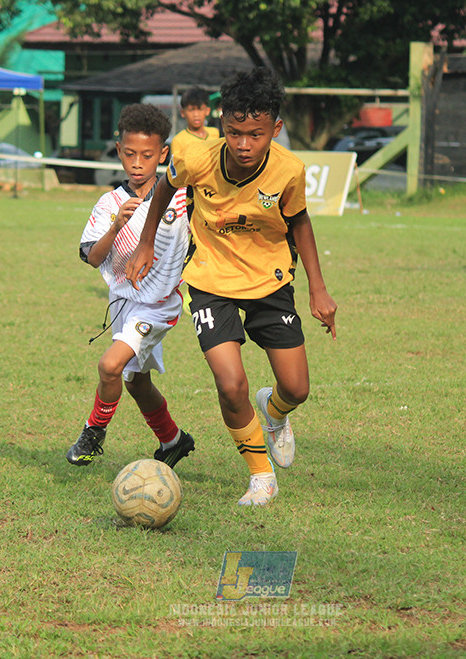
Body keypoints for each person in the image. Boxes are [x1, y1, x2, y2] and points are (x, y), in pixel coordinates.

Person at [125, 68, 338, 506]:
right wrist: (146, 243)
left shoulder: (289, 170)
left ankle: (274, 412)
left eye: (255, 135)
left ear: (275, 129)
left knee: (297, 388)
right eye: (235, 132)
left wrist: (318, 288)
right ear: (222, 123)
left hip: (269, 279)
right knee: (230, 383)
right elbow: (164, 189)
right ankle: (261, 475)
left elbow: (300, 222)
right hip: (210, 279)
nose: (244, 144)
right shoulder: (196, 159)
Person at [66, 103, 195, 470]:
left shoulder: (182, 196)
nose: (138, 163)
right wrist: (115, 227)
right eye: (130, 154)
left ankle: (93, 432)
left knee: (110, 366)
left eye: (147, 155)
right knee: (136, 382)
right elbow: (92, 257)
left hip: (158, 304)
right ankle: (173, 440)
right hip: (123, 304)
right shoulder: (109, 203)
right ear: (119, 150)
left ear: (163, 154)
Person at [170, 87, 220, 158]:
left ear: (207, 111)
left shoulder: (215, 133)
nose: (196, 115)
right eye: (191, 110)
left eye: (200, 109)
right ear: (183, 112)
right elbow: (177, 164)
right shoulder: (178, 141)